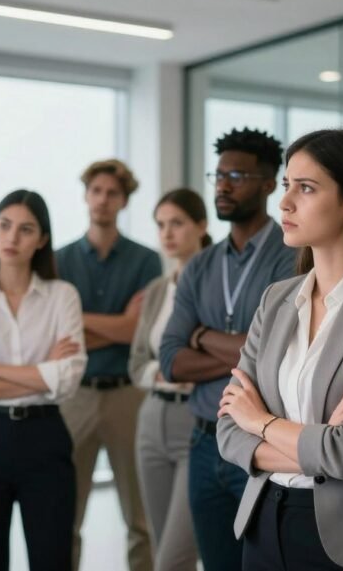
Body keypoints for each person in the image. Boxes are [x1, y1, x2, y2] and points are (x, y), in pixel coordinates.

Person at [217, 128, 343, 570]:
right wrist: (318, 441)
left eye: (305, 188)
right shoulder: (276, 299)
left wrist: (262, 421)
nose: (285, 203)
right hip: (265, 519)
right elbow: (229, 433)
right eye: (287, 185)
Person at [159, 128, 296, 571]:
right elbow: (170, 359)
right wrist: (239, 352)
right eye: (218, 175)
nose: (223, 184)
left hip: (262, 444)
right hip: (202, 440)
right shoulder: (200, 264)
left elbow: (271, 354)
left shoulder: (291, 256)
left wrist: (200, 335)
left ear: (269, 183)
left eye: (237, 175)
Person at [0, 189, 86, 571]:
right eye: (4, 226)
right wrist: (44, 373)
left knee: (53, 559)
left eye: (26, 229)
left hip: (46, 440)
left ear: (41, 240)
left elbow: (70, 378)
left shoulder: (63, 296)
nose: (12, 237)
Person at [56, 159, 161, 571]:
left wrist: (80, 322)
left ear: (124, 200)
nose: (102, 200)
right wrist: (119, 325)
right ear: (86, 195)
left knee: (140, 517)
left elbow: (140, 331)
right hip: (74, 395)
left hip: (126, 396)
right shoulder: (58, 260)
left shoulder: (146, 261)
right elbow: (55, 333)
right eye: (96, 191)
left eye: (111, 193)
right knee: (65, 514)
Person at [129, 188, 209, 571]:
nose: (167, 233)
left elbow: (221, 357)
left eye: (177, 223)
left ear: (201, 226)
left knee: (174, 558)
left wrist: (177, 368)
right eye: (161, 225)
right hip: (150, 421)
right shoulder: (158, 289)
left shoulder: (214, 284)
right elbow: (136, 364)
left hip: (196, 421)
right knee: (162, 544)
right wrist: (170, 369)